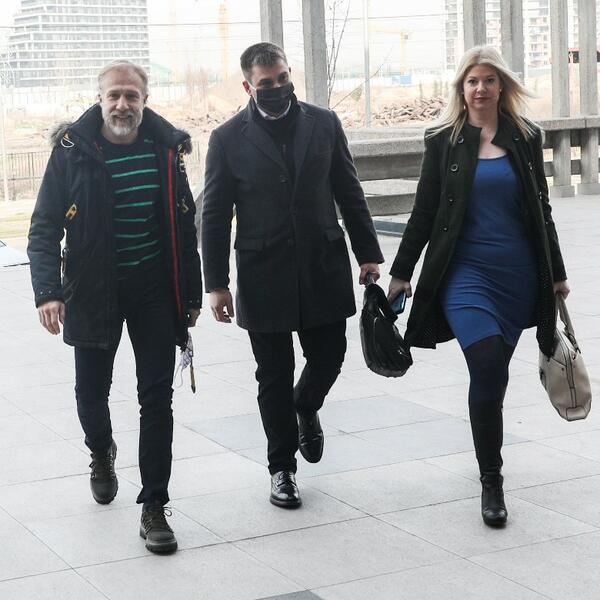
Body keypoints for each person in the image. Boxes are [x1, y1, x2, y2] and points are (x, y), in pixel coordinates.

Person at [387, 46, 569, 527]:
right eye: (472, 81)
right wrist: (402, 273)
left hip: (517, 273)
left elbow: (542, 209)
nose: (481, 88)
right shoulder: (443, 141)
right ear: (461, 88)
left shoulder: (525, 137)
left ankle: (489, 450)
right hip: (464, 274)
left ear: (501, 86)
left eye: (489, 79)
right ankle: (492, 480)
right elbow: (424, 212)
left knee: (495, 377)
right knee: (485, 363)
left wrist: (557, 273)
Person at [27, 60, 202, 553]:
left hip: (152, 290)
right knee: (91, 393)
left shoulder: (166, 150)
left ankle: (154, 505)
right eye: (114, 96)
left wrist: (190, 295)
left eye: (132, 96)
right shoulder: (72, 151)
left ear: (145, 100)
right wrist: (48, 291)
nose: (123, 105)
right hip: (91, 289)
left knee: (156, 398)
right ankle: (101, 450)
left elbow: (184, 226)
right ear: (100, 99)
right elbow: (44, 227)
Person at [202, 42, 383, 508]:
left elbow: (348, 190)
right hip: (263, 274)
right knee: (273, 376)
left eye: (283, 78)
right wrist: (217, 283)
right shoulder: (226, 139)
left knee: (331, 356)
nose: (278, 87)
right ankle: (281, 468)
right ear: (249, 87)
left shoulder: (324, 123)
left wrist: (367, 253)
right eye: (267, 83)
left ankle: (306, 405)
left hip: (323, 264)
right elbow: (215, 215)